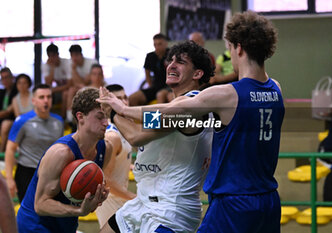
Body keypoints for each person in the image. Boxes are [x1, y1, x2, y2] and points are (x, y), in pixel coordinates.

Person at [98, 11, 284, 233]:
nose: (230, 53)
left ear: (239, 47)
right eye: (171, 61)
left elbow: (164, 116)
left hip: (225, 201)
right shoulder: (276, 90)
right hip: (267, 197)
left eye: (230, 48)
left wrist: (119, 110)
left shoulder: (224, 95)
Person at [98, 40, 215, 233]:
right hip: (142, 204)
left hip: (170, 212)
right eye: (171, 61)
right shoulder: (167, 111)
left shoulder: (193, 108)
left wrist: (116, 111)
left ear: (197, 73)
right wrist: (113, 111)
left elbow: (135, 136)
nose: (171, 65)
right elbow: (139, 130)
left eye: (181, 62)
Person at [16, 87, 112, 233]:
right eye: (100, 117)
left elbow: (81, 195)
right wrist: (79, 210)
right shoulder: (61, 153)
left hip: (66, 226)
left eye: (107, 116)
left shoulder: (105, 148)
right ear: (80, 117)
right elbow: (40, 204)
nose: (106, 123)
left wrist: (95, 199)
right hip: (34, 227)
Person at [5, 84, 64, 202]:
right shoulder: (22, 121)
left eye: (49, 97)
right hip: (27, 172)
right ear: (34, 101)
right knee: (29, 214)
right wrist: (10, 179)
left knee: (50, 214)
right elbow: (10, 150)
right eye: (41, 97)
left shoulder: (58, 121)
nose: (46, 100)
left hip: (50, 173)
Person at [95, 84, 136, 228]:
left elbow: (118, 158)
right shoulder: (112, 136)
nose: (124, 102)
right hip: (110, 199)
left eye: (125, 98)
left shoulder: (125, 128)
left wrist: (131, 166)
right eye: (118, 99)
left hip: (120, 197)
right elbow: (106, 181)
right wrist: (134, 198)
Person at [129, 33, 169, 106]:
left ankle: (158, 117)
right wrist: (151, 86)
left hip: (168, 87)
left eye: (159, 44)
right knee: (132, 98)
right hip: (155, 86)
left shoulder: (172, 54)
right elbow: (147, 74)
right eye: (155, 44)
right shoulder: (150, 56)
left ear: (166, 44)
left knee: (160, 96)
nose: (157, 47)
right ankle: (138, 117)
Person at [66, 44, 97, 123]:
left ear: (81, 55)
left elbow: (85, 82)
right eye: (72, 56)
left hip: (93, 87)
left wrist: (74, 70)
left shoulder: (91, 63)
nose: (74, 58)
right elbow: (73, 83)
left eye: (76, 55)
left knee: (74, 90)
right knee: (70, 90)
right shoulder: (71, 65)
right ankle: (69, 118)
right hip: (80, 87)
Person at [43, 43, 70, 118]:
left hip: (67, 90)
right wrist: (52, 68)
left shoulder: (66, 63)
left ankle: (63, 118)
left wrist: (54, 89)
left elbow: (70, 84)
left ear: (58, 54)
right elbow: (48, 83)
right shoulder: (46, 66)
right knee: (45, 93)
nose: (52, 59)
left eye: (53, 56)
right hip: (57, 91)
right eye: (49, 56)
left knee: (65, 93)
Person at [0, 67, 17, 152]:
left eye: (6, 77)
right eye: (2, 78)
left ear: (12, 77)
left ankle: (1, 151)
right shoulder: (1, 92)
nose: (5, 80)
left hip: (12, 120)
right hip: (2, 118)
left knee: (5, 124)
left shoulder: (17, 91)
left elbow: (8, 112)